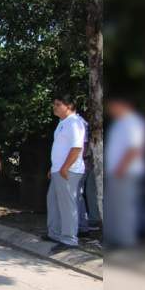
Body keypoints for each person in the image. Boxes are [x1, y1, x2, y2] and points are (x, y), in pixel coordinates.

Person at [44, 94, 86, 254]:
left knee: (67, 205)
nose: (54, 107)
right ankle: (54, 234)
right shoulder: (63, 122)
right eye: (54, 104)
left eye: (58, 103)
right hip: (58, 169)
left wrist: (64, 167)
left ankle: (69, 239)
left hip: (68, 171)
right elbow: (61, 148)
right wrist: (54, 167)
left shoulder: (74, 123)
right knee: (53, 202)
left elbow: (76, 148)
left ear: (69, 106)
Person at [105, 95, 145, 248]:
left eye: (113, 105)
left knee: (125, 207)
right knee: (115, 206)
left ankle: (126, 241)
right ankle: (116, 238)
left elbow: (134, 148)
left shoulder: (132, 122)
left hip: (126, 172)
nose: (110, 109)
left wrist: (121, 168)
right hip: (117, 172)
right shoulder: (120, 123)